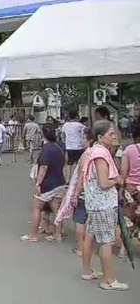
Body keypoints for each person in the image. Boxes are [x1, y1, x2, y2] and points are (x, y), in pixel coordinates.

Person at [78, 121, 127, 291]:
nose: (114, 136)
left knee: (91, 236)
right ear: (100, 137)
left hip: (95, 203)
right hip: (102, 205)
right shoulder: (101, 154)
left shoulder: (95, 151)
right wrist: (117, 180)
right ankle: (109, 280)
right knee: (106, 242)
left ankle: (87, 271)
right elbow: (104, 183)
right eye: (110, 134)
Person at [22, 125, 67, 243]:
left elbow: (43, 167)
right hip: (60, 182)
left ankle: (33, 235)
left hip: (47, 184)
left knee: (37, 208)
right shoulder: (59, 148)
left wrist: (38, 184)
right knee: (57, 210)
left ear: (43, 135)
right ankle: (58, 234)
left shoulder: (46, 150)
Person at [120, 121, 140, 230]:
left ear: (135, 137)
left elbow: (124, 171)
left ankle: (131, 237)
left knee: (130, 216)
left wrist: (121, 188)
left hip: (131, 188)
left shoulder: (129, 150)